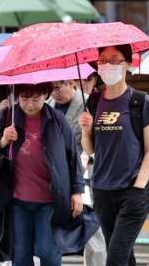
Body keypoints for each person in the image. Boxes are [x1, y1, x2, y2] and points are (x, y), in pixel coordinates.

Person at [0, 82, 87, 265]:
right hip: (16, 200)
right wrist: (3, 141)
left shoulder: (57, 119)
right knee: (20, 254)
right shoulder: (7, 117)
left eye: (35, 98)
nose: (30, 104)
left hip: (50, 200)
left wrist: (77, 192)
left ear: (46, 95)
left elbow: (72, 156)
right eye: (24, 98)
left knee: (48, 253)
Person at [79, 44, 149, 266]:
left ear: (128, 64)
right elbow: (92, 149)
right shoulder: (93, 101)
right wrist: (86, 130)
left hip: (132, 191)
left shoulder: (141, 101)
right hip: (102, 190)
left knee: (114, 257)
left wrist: (139, 186)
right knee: (123, 255)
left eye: (114, 60)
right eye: (103, 60)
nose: (107, 65)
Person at [47, 79, 107, 266]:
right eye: (51, 89)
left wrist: (86, 154)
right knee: (45, 229)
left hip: (86, 173)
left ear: (71, 83)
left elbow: (103, 140)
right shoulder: (45, 106)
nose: (54, 93)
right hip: (53, 178)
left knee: (93, 229)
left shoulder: (90, 103)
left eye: (58, 87)